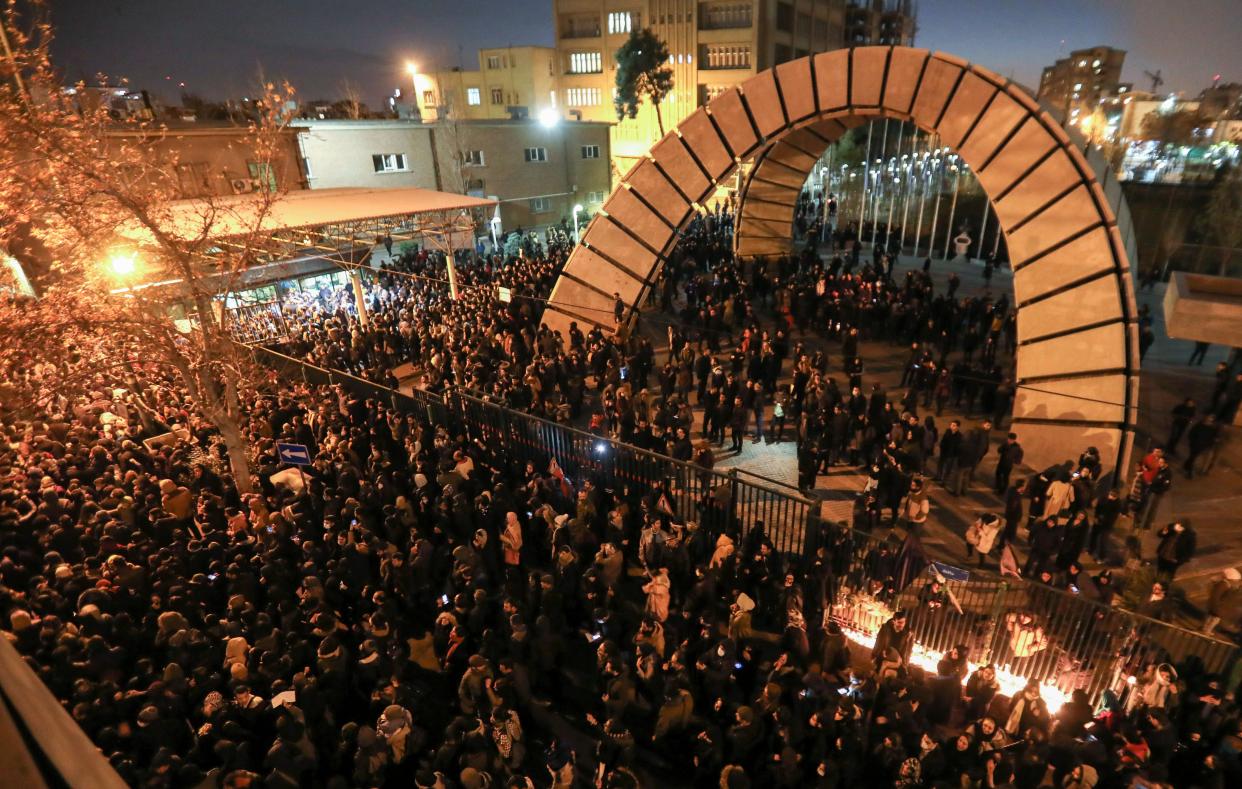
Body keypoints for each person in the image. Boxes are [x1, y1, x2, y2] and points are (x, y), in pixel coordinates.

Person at [1203, 568, 1242, 636]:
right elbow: (1216, 596)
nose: (1236, 581)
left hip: (1216, 605)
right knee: (1215, 619)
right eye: (1236, 580)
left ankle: (1205, 629)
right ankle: (1206, 631)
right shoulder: (1223, 584)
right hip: (1216, 605)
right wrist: (1216, 607)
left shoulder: (1225, 584)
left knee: (1211, 617)